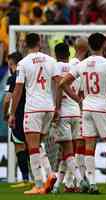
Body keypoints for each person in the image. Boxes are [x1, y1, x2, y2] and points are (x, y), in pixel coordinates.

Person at [58, 33, 106, 195]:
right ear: (104, 44)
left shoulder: (82, 65)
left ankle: (92, 185)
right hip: (103, 108)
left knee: (89, 146)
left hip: (87, 108)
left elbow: (63, 83)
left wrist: (78, 99)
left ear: (90, 45)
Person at [8, 33, 60, 195]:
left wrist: (12, 113)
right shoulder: (51, 60)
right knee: (38, 145)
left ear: (24, 44)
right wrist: (57, 107)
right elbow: (59, 84)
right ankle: (50, 174)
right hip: (49, 108)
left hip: (33, 109)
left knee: (32, 147)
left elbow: (17, 90)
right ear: (39, 43)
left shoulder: (23, 63)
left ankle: (38, 184)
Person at [52, 42, 88, 193]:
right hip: (76, 113)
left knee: (67, 151)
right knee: (68, 151)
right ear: (69, 53)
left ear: (56, 54)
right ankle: (62, 185)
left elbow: (59, 87)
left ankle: (80, 181)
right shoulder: (77, 68)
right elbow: (81, 92)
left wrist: (57, 108)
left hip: (64, 112)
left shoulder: (56, 67)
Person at [3, 52, 31, 188]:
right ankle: (38, 177)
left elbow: (7, 99)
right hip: (32, 113)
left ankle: (26, 179)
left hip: (18, 115)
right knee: (33, 146)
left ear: (11, 64)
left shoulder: (13, 78)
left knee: (20, 146)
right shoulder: (29, 76)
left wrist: (5, 114)